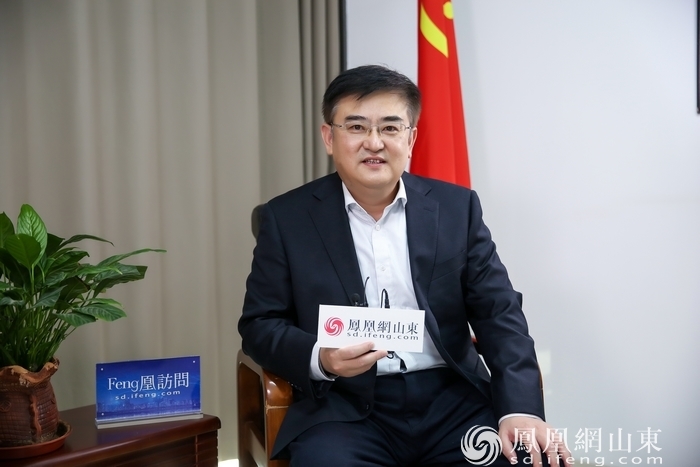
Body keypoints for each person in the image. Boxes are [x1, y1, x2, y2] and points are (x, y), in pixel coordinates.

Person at [238, 64, 571, 466]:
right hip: (344, 407)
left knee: (523, 459)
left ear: (410, 138)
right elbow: (260, 324)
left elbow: (499, 313)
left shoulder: (456, 208)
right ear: (329, 136)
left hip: (452, 400)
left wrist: (520, 410)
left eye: (390, 128)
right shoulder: (287, 218)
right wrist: (321, 358)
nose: (374, 142)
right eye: (356, 127)